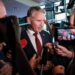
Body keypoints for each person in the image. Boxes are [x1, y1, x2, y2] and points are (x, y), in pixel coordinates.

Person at [20, 6, 65, 75]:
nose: (42, 24)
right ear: (29, 20)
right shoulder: (19, 38)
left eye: (43, 20)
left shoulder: (46, 34)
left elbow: (53, 56)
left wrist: (51, 63)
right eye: (38, 20)